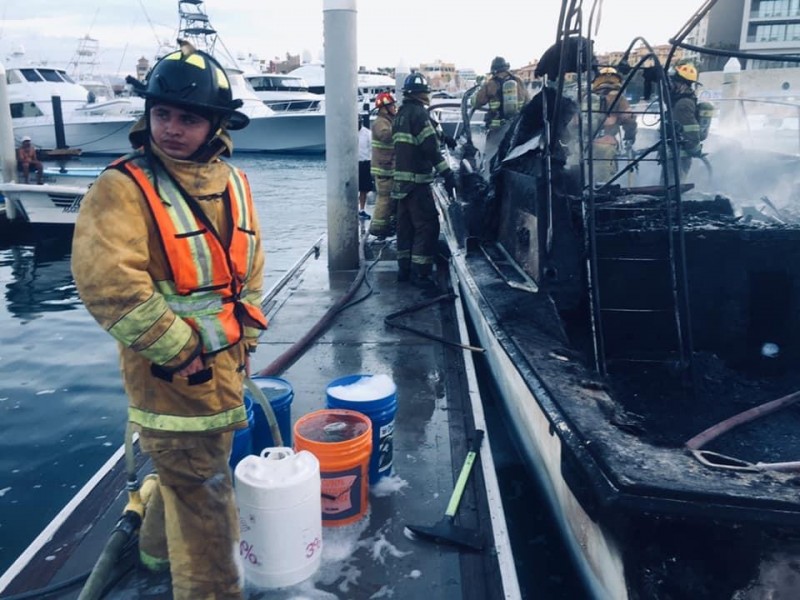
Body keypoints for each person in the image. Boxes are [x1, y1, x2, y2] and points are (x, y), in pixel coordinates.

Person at [71, 42, 266, 600]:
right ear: (147, 115)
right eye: (163, 114)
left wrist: (244, 338)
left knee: (189, 481)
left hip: (225, 371)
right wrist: (184, 353)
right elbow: (112, 290)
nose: (173, 128)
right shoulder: (122, 188)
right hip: (172, 382)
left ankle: (155, 557)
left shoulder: (234, 183)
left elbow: (249, 269)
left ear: (216, 125)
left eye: (188, 117)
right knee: (206, 501)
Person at [391, 72, 456, 290]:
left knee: (405, 228)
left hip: (401, 184)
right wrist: (448, 173)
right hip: (417, 183)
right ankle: (421, 274)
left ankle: (404, 271)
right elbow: (430, 148)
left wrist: (444, 137)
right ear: (421, 93)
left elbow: (418, 139)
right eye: (426, 92)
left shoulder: (401, 114)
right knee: (427, 226)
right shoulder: (419, 114)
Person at [473, 56, 529, 171]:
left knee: (490, 158)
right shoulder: (519, 82)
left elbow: (476, 102)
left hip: (497, 130)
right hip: (516, 129)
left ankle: (490, 181)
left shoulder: (491, 84)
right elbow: (528, 102)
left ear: (494, 70)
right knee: (513, 158)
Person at [589, 66, 637, 183]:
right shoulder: (619, 98)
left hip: (582, 145)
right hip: (605, 145)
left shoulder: (586, 97)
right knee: (603, 183)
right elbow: (630, 121)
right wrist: (629, 138)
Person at [668, 62, 703, 183]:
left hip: (679, 155)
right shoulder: (679, 101)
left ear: (681, 84)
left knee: (673, 185)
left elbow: (691, 129)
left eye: (674, 82)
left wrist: (693, 148)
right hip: (675, 153)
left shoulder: (683, 104)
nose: (671, 85)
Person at [369, 91, 398, 239]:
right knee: (385, 199)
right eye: (392, 105)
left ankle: (386, 226)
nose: (394, 108)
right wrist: (400, 128)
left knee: (391, 199)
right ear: (384, 108)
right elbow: (386, 136)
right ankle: (378, 228)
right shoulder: (381, 122)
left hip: (389, 168)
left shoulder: (389, 120)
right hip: (384, 169)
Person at [358, 114, 373, 220]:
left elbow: (372, 149)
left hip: (364, 163)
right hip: (351, 163)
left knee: (364, 189)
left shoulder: (368, 133)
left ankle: (362, 209)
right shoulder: (347, 132)